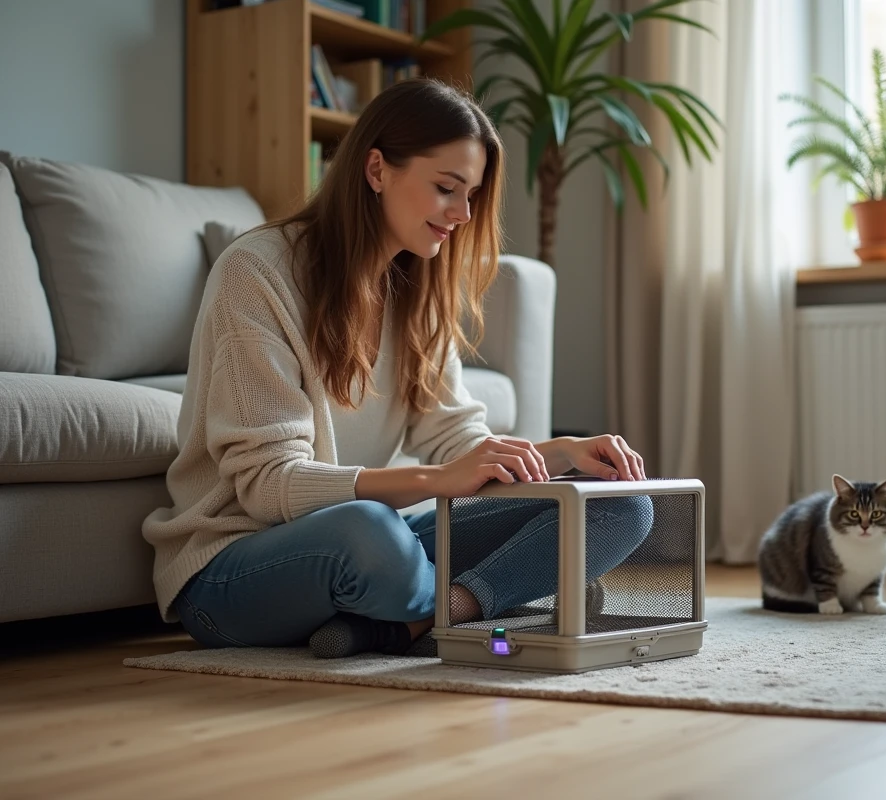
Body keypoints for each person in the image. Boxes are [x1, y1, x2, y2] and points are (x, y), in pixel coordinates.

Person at [142, 79, 653, 659]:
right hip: (234, 570)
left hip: (378, 547)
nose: (462, 214)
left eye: (472, 196)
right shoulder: (256, 273)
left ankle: (419, 622)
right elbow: (267, 486)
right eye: (446, 188)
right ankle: (482, 602)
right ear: (377, 168)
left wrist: (559, 454)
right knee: (371, 533)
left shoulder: (416, 286)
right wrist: (438, 484)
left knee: (618, 503)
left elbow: (454, 436)